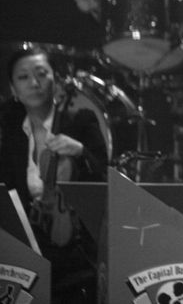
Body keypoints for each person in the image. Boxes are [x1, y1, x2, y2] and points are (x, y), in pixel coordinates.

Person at [0, 46, 107, 303]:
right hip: (25, 245)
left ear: (55, 80)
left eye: (41, 74)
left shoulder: (81, 121)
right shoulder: (11, 131)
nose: (34, 83)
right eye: (23, 77)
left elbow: (106, 179)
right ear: (13, 89)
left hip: (73, 249)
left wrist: (81, 151)